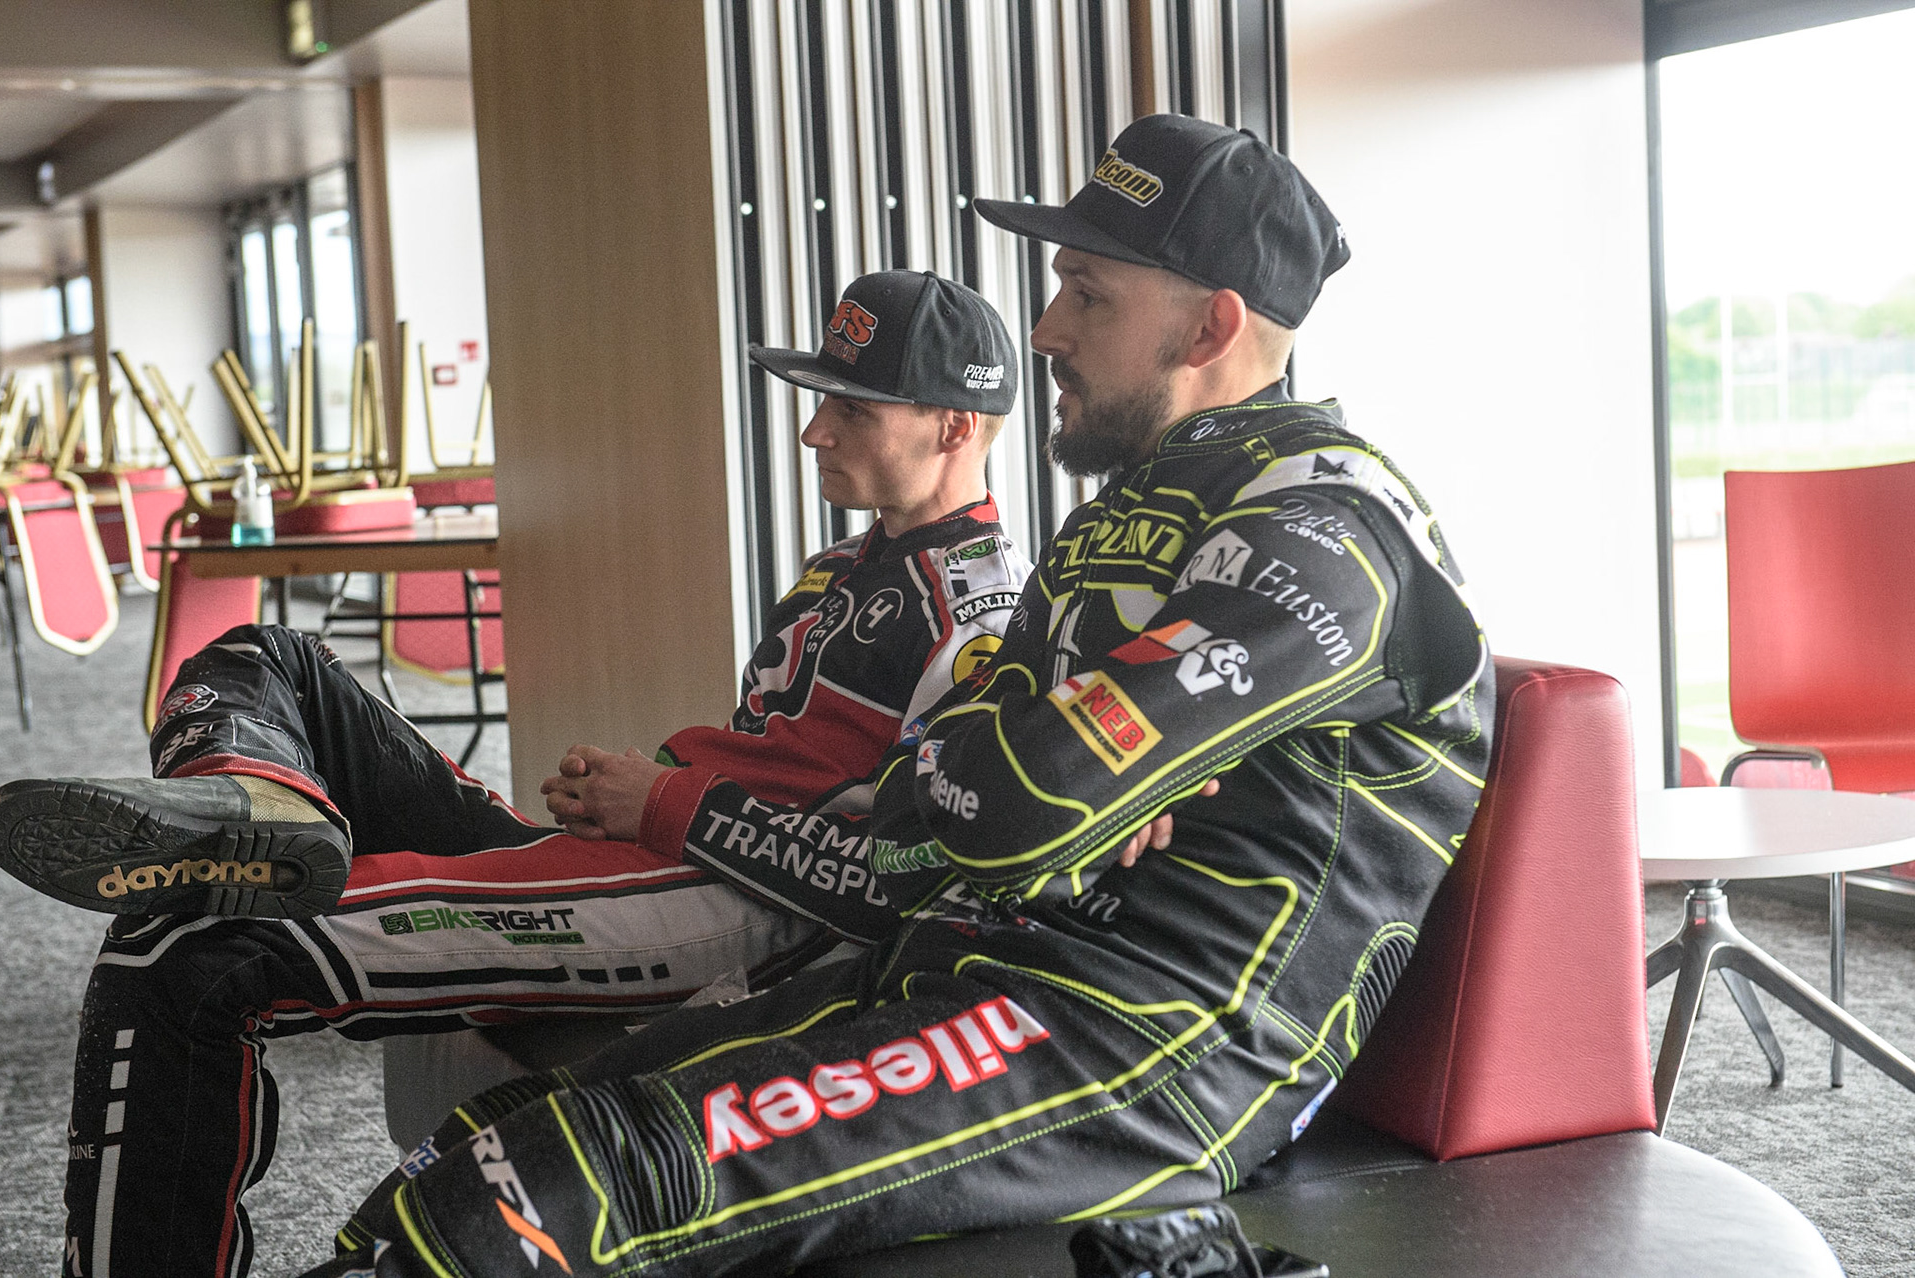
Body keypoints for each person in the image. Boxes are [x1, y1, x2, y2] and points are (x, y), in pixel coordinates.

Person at [303, 114, 1493, 1278]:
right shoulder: (1116, 524)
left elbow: (1015, 797)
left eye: (1088, 294)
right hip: (971, 962)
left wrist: (1030, 786)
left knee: (560, 1183)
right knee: (485, 1143)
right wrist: (1042, 791)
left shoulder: (1330, 524)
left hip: (1150, 1043)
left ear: (1212, 326)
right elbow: (929, 816)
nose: (1044, 328)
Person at [0, 269, 1033, 1278]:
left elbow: (899, 884)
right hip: (650, 861)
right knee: (271, 659)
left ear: (955, 426)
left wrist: (664, 801)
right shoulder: (846, 567)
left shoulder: (983, 622)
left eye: (852, 410)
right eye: (820, 404)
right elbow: (775, 762)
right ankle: (249, 804)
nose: (815, 432)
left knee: (179, 945)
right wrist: (640, 796)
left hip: (737, 912)